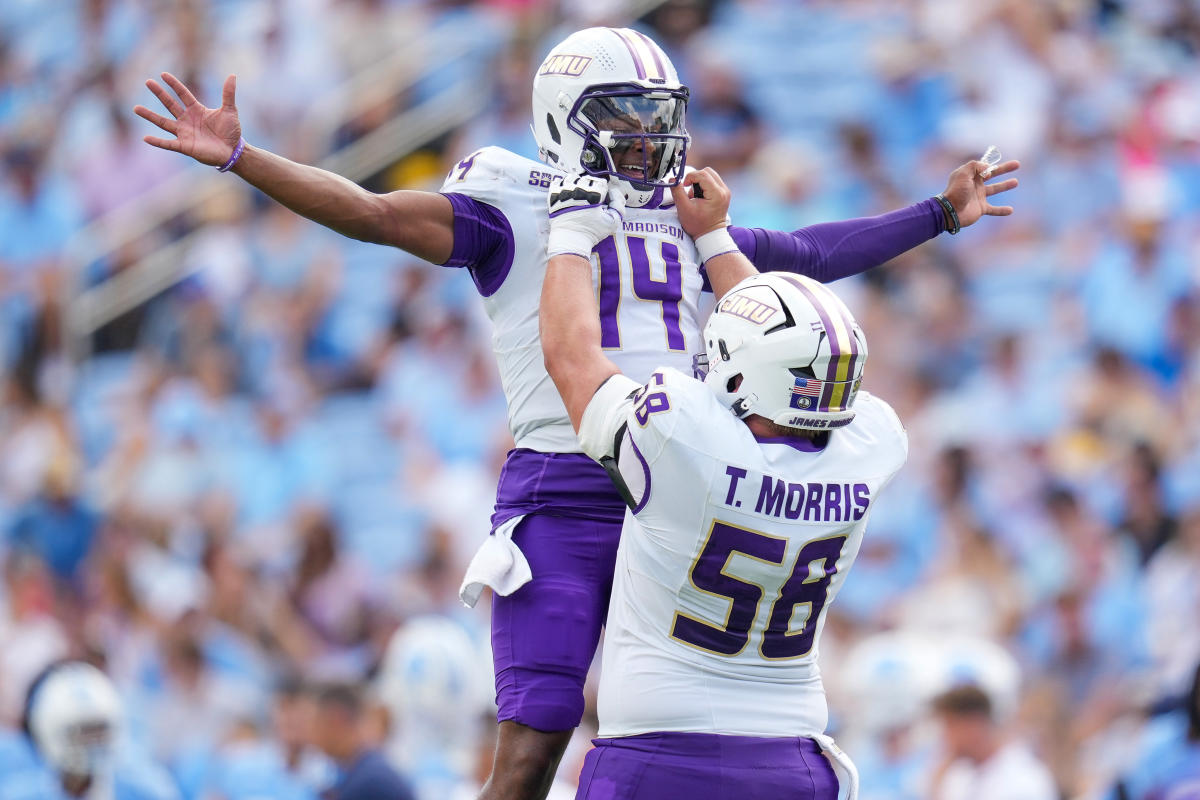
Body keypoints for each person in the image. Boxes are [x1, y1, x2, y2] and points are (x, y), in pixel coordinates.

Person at [135, 26, 1020, 798]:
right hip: (566, 490)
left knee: (672, 728)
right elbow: (370, 214)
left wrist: (938, 213)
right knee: (532, 749)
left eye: (656, 115)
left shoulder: (690, 218)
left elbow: (811, 253)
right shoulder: (514, 207)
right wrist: (245, 160)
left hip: (676, 491)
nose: (647, 138)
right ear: (567, 118)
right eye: (624, 116)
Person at [538, 168, 908, 798]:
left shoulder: (685, 436)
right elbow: (788, 357)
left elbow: (573, 360)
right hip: (792, 761)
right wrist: (714, 240)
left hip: (659, 755)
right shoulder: (869, 445)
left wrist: (570, 234)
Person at [10, 660, 181, 800]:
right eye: (80, 733)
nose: (90, 743)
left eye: (98, 731)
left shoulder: (145, 789)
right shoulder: (21, 793)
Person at [927, 685, 1057, 800]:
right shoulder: (958, 775)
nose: (945, 737)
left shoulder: (1024, 779)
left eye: (950, 725)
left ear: (974, 724)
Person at [310, 683, 416, 800]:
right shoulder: (361, 772)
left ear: (336, 720)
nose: (312, 734)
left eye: (316, 723)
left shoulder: (371, 781)